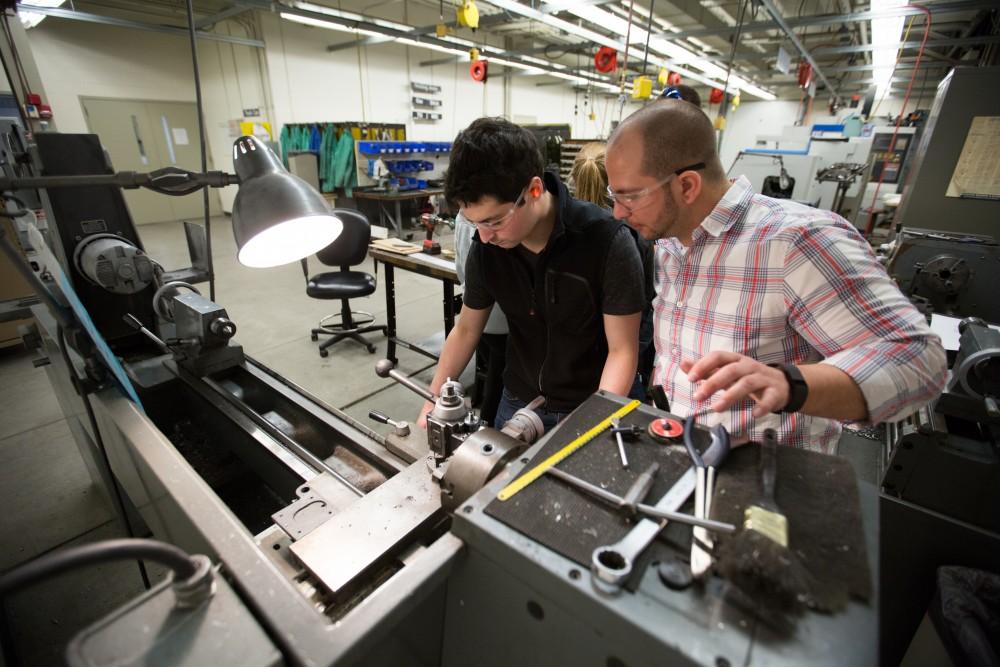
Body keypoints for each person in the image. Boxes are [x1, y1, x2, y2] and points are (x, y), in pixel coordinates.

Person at [604, 101, 946, 453]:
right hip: (689, 451)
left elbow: (919, 360)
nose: (617, 212)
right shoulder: (671, 241)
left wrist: (791, 384)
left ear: (687, 186)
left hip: (769, 473)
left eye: (629, 196)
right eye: (614, 197)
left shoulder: (796, 241)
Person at [418, 117, 645, 431]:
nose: (484, 237)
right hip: (519, 400)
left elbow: (623, 351)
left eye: (494, 221)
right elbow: (467, 330)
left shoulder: (606, 242)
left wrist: (594, 429)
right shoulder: (487, 247)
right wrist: (433, 402)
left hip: (594, 401)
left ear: (534, 190)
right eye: (476, 224)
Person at [570, 142, 655, 401]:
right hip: (622, 367)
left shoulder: (563, 231)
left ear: (572, 180)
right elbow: (649, 303)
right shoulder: (634, 232)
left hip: (571, 368)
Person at [453, 210, 507, 426]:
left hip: (476, 309)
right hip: (498, 318)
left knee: (492, 365)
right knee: (499, 372)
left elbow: (460, 269)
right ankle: (487, 421)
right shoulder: (487, 218)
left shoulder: (463, 216)